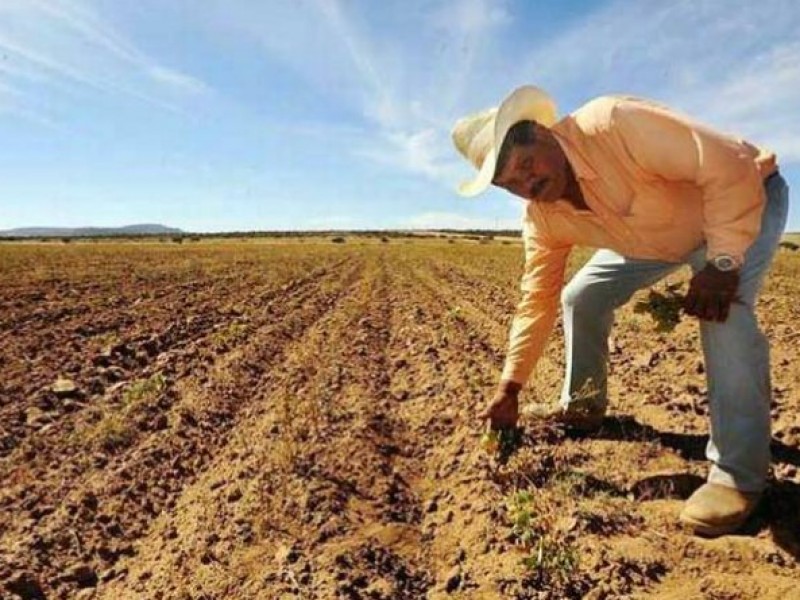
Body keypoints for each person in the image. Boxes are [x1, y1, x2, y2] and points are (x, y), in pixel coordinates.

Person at [451, 86, 789, 537]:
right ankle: (584, 405)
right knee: (580, 297)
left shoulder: (614, 123)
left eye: (526, 165)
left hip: (740, 200)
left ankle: (739, 478)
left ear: (541, 132)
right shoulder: (543, 216)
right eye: (509, 183)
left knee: (722, 311)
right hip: (656, 237)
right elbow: (537, 298)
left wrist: (723, 262)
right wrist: (510, 387)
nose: (526, 184)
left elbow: (726, 164)